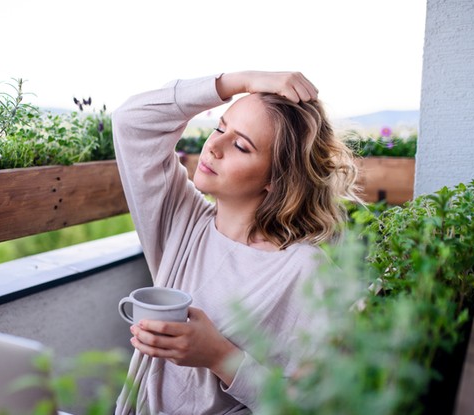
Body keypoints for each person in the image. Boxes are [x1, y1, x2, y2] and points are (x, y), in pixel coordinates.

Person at [111, 71, 358, 414]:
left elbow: (312, 407)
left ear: (277, 178)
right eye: (220, 128)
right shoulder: (182, 223)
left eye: (241, 145)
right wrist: (241, 82)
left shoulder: (306, 272)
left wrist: (219, 356)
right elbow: (131, 122)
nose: (213, 146)